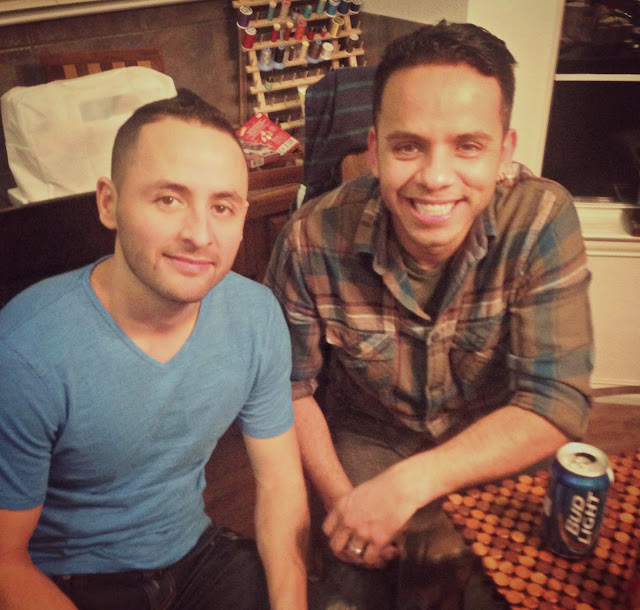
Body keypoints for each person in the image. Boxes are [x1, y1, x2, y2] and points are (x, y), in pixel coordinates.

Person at [264, 21, 593, 609]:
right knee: (347, 596)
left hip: (496, 440)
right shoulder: (309, 238)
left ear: (504, 153)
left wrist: (411, 484)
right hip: (369, 439)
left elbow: (555, 400)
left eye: (468, 146)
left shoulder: (542, 218)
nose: (436, 178)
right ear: (374, 150)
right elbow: (289, 390)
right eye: (408, 146)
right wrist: (342, 501)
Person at [0, 89, 309, 610]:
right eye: (169, 199)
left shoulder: (255, 315)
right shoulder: (27, 352)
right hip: (72, 581)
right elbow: (5, 559)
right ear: (109, 203)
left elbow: (279, 483)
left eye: (222, 206)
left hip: (194, 552)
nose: (199, 234)